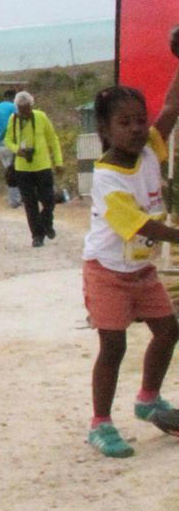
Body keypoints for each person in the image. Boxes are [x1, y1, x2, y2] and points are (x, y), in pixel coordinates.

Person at [83, 84, 179, 457]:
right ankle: (100, 424)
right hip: (106, 271)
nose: (138, 128)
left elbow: (171, 103)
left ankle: (148, 399)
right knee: (113, 346)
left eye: (140, 119)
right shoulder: (107, 179)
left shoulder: (152, 148)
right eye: (125, 122)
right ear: (105, 131)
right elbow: (144, 227)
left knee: (169, 330)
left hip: (139, 269)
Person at [4, 91, 62, 246]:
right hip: (23, 168)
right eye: (22, 110)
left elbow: (53, 139)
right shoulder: (13, 119)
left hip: (43, 166)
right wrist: (17, 149)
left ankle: (47, 223)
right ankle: (37, 236)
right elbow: (7, 139)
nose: (25, 112)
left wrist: (59, 161)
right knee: (29, 204)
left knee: (49, 200)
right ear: (17, 108)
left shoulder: (41, 116)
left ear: (31, 106)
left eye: (27, 109)